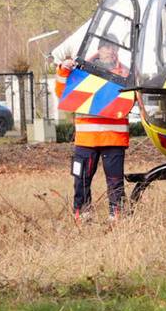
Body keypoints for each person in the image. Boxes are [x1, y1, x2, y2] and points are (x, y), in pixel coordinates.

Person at [56, 35, 131, 223]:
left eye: (112, 47)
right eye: (105, 47)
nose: (109, 51)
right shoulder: (81, 71)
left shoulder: (126, 74)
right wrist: (63, 70)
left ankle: (117, 214)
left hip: (113, 138)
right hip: (86, 139)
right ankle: (82, 213)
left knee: (115, 181)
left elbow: (131, 100)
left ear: (117, 50)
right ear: (99, 49)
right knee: (80, 178)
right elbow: (61, 92)